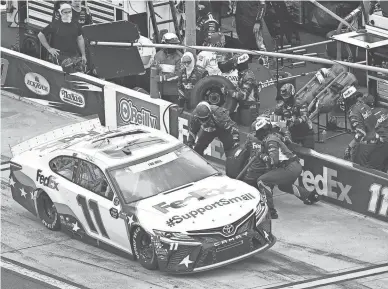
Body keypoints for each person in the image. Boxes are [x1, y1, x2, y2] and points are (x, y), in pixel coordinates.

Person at [252, 118, 320, 219]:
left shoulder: (270, 140)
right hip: (294, 165)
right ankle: (311, 196)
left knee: (262, 181)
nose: (255, 134)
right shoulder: (274, 136)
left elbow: (273, 161)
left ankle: (270, 211)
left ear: (261, 131)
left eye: (256, 132)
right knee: (284, 186)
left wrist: (261, 156)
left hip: (289, 167)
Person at [341, 91, 388, 171]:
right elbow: (375, 125)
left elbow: (361, 134)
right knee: (382, 170)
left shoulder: (353, 113)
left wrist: (350, 146)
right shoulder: (366, 107)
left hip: (373, 145)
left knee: (364, 170)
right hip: (382, 143)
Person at [274, 83, 315, 149]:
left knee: (309, 154)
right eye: (284, 96)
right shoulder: (279, 106)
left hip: (306, 131)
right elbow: (275, 120)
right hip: (291, 132)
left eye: (287, 96)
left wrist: (296, 120)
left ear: (292, 94)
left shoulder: (300, 102)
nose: (285, 99)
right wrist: (282, 125)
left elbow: (305, 116)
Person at [135, 26, 156, 92]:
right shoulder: (131, 41)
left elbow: (145, 61)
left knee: (146, 93)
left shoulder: (145, 41)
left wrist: (131, 59)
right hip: (135, 71)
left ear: (138, 32)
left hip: (147, 72)